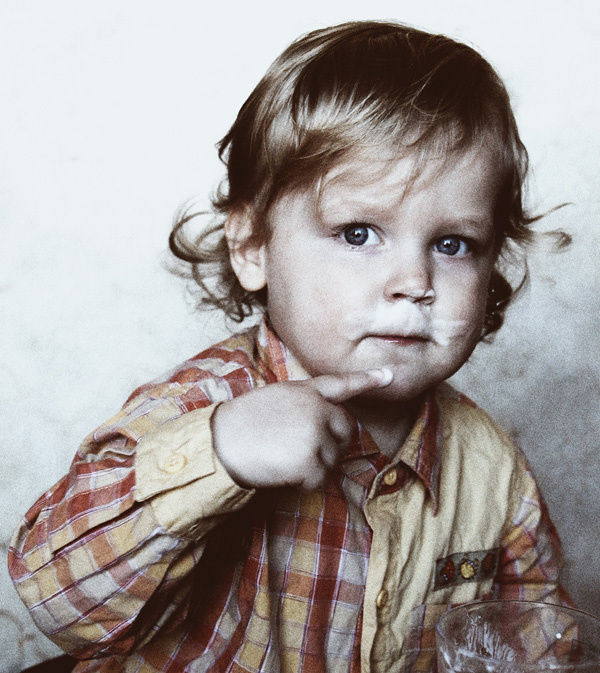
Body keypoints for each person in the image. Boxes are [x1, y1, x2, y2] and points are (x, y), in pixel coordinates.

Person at [9, 20, 570, 673]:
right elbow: (55, 598)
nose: (413, 282)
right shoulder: (203, 405)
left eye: (453, 244)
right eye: (358, 233)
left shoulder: (493, 471)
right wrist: (222, 454)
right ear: (252, 247)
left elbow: (540, 639)